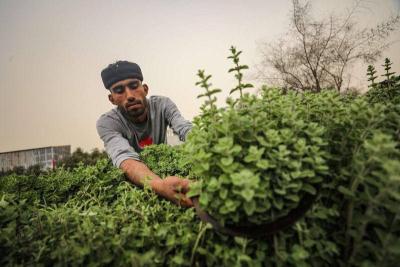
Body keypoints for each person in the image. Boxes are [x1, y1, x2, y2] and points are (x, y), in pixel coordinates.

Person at [96, 61, 193, 207]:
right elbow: (125, 159)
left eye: (134, 86)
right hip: (133, 181)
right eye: (119, 90)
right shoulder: (108, 122)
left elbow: (185, 129)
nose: (129, 95)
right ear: (112, 99)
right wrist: (161, 186)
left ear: (145, 89)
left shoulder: (163, 105)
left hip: (163, 168)